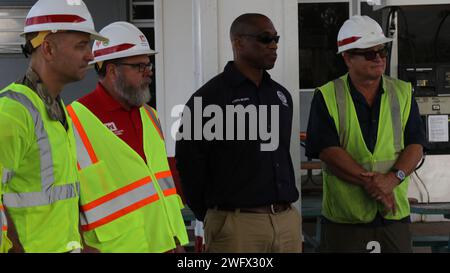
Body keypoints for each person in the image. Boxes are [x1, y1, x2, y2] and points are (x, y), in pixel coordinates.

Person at [176, 13, 301, 253]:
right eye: (265, 39)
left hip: (286, 222)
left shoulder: (281, 95)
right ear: (238, 43)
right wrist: (215, 217)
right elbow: (189, 165)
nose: (273, 45)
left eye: (276, 38)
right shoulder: (207, 99)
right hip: (237, 227)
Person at [305, 15, 425, 253]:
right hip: (346, 218)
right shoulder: (326, 95)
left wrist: (392, 179)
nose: (379, 58)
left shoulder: (402, 92)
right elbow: (327, 150)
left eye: (382, 51)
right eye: (370, 53)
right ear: (348, 57)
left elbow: (416, 144)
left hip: (393, 215)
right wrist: (372, 184)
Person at [66, 21, 188, 253]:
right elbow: (64, 200)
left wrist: (176, 240)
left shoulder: (150, 115)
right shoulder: (73, 121)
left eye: (148, 64)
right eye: (139, 66)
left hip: (167, 245)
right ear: (112, 71)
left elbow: (159, 186)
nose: (148, 72)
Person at [0, 0, 106, 253]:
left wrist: (80, 243)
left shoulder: (55, 110)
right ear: (47, 48)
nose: (91, 55)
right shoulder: (12, 112)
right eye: (81, 45)